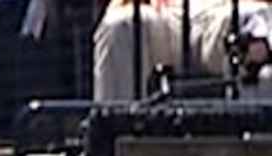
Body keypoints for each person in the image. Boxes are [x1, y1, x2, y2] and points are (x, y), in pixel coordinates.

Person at [92, 0, 270, 100]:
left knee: (257, 25)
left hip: (234, 12)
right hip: (168, 15)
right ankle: (110, 150)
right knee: (120, 25)